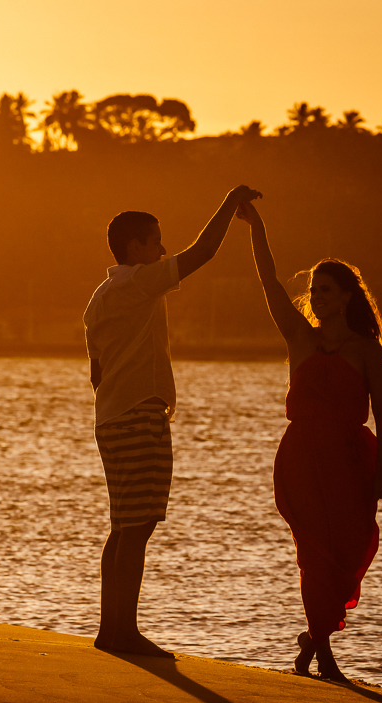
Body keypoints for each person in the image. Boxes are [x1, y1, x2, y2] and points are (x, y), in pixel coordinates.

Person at [86, 185, 262, 656]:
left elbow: (95, 369)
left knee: (123, 525)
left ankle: (112, 628)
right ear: (134, 249)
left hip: (110, 418)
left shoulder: (100, 297)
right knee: (138, 525)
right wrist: (228, 203)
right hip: (138, 412)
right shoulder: (138, 283)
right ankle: (124, 631)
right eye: (155, 241)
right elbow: (201, 252)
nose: (162, 249)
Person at [235, 199, 382, 682]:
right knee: (314, 554)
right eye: (313, 290)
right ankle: (325, 659)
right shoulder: (299, 339)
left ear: (347, 296)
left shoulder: (367, 350)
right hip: (301, 457)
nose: (317, 297)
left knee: (345, 555)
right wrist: (256, 227)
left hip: (349, 461)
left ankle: (312, 640)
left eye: (326, 290)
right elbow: (268, 281)